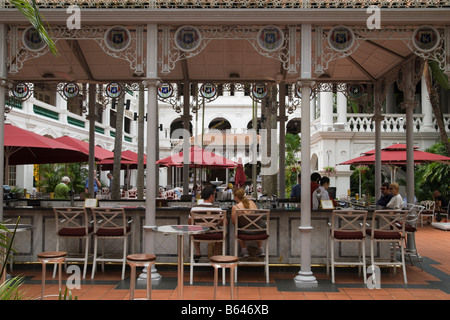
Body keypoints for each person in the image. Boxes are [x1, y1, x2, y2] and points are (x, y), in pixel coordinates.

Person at [189, 186, 223, 261]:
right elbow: (225, 223)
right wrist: (217, 223)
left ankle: (198, 252)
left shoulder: (194, 208)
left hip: (199, 234)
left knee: (195, 230)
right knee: (221, 231)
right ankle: (215, 255)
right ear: (211, 196)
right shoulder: (217, 208)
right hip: (215, 234)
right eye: (214, 195)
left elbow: (190, 223)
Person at [231, 188, 265, 258]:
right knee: (256, 225)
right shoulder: (252, 203)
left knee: (238, 228)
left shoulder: (235, 207)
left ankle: (244, 251)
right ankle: (261, 249)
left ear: (236, 197)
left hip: (244, 232)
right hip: (258, 231)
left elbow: (234, 222)